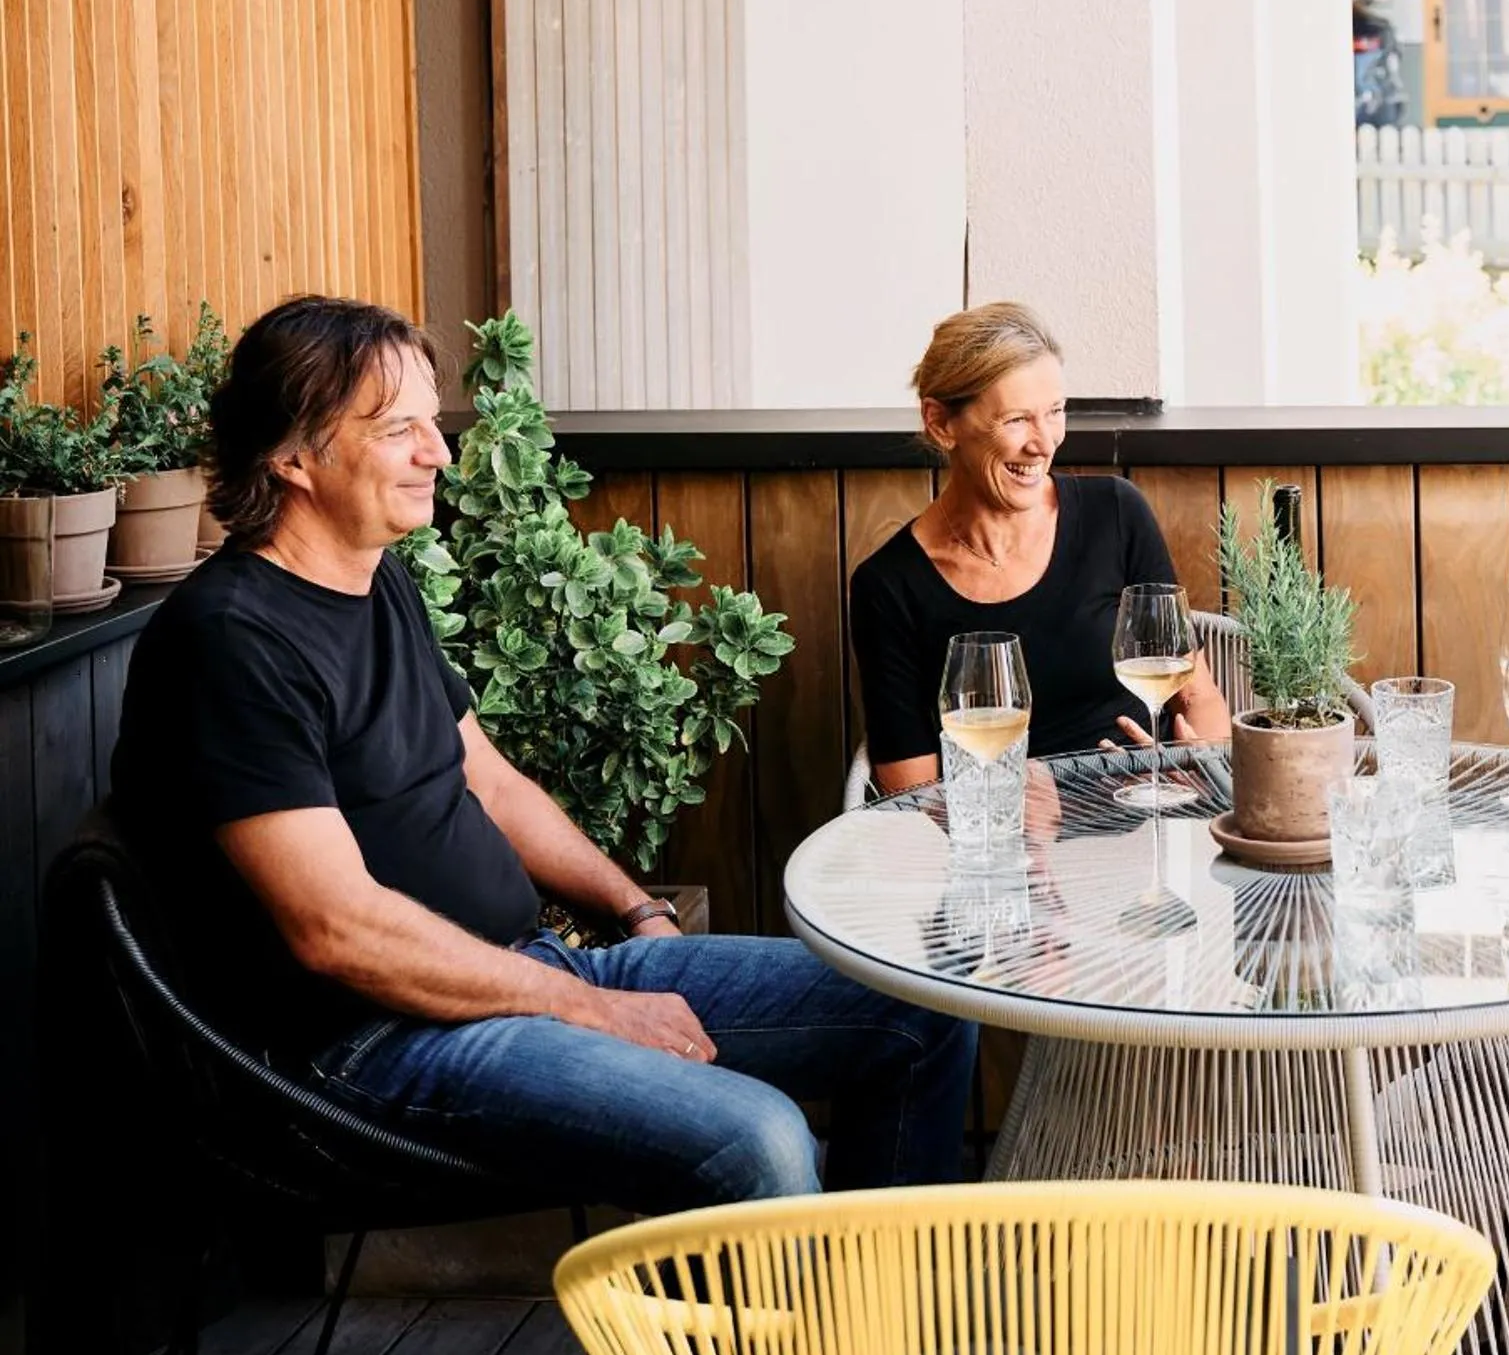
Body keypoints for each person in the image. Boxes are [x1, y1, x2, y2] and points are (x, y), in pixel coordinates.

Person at [111, 295, 976, 1215]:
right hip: (369, 1045)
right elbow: (339, 930)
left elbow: (488, 780)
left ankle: (872, 1326)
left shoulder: (376, 581)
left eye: (429, 424)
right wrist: (593, 1009)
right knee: (754, 1138)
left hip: (522, 972)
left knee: (918, 1005)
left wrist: (633, 909)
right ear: (290, 457)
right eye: (397, 429)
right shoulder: (231, 642)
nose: (437, 453)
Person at [850, 302, 1232, 796]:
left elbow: (1198, 696)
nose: (1045, 442)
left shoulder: (1115, 514)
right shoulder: (889, 587)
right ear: (941, 424)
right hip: (1004, 856)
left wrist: (1195, 760)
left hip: (1149, 821)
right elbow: (911, 796)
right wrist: (1014, 820)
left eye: (1055, 412)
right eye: (1016, 420)